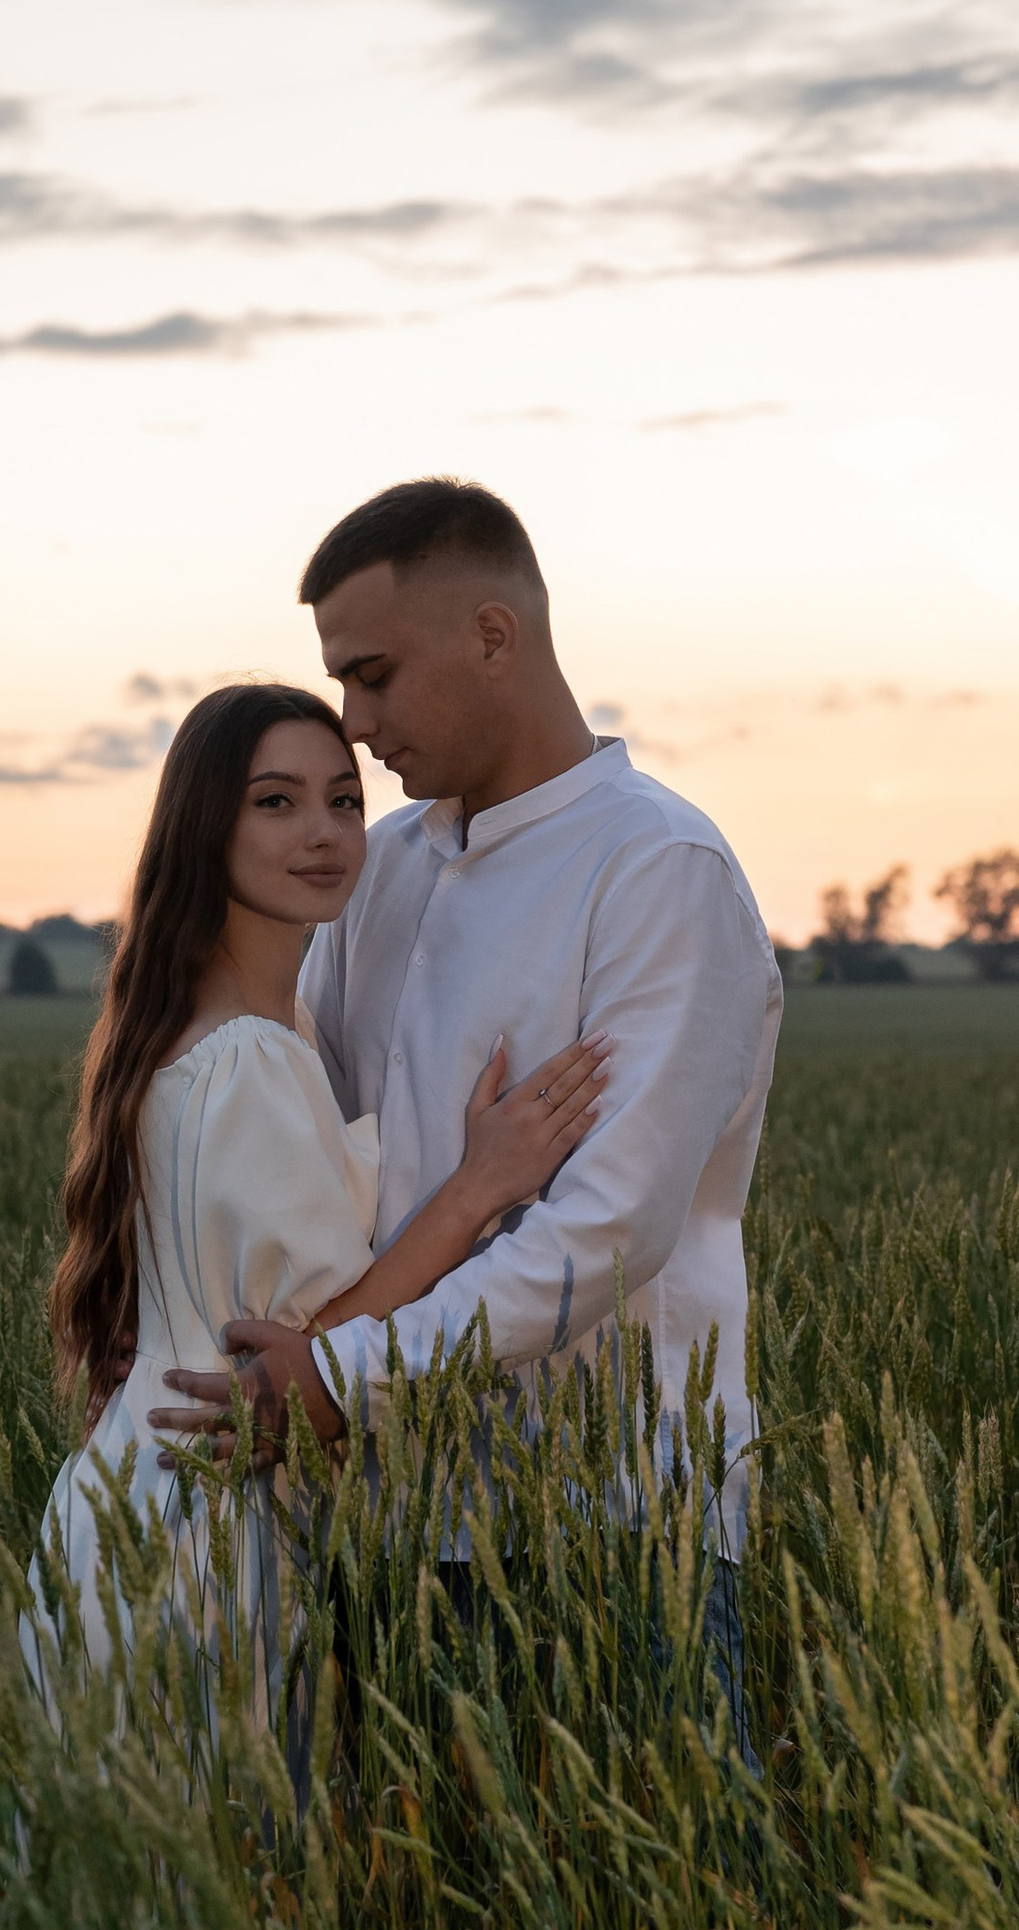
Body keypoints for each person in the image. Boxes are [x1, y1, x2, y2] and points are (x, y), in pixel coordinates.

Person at [147, 481, 782, 1706]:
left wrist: (338, 1379)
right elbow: (308, 1164)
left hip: (605, 1520)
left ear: (494, 637)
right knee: (416, 1896)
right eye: (340, 681)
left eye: (375, 674)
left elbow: (612, 1226)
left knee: (653, 1894)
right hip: (373, 1516)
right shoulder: (377, 871)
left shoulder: (658, 868)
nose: (354, 722)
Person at [28, 681, 605, 1709]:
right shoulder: (251, 1054)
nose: (326, 832)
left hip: (128, 1495)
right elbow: (319, 1344)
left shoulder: (211, 1025)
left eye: (345, 800)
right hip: (205, 1519)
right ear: (206, 824)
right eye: (275, 802)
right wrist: (480, 1185)